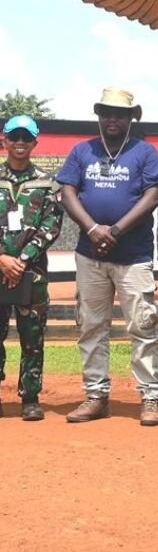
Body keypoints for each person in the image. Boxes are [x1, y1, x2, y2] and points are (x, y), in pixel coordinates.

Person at [57, 88, 158, 425]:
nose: (112, 119)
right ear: (99, 115)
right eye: (106, 113)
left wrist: (115, 230)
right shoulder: (82, 151)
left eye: (120, 113)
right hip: (90, 255)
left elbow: (153, 195)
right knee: (91, 325)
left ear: (132, 116)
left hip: (133, 254)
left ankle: (150, 397)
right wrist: (92, 229)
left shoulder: (144, 152)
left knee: (143, 325)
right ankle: (96, 395)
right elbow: (67, 191)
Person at [0, 115, 63, 420]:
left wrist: (22, 259)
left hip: (32, 272)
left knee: (32, 337)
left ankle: (30, 398)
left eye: (26, 138)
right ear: (5, 140)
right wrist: (2, 258)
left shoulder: (47, 182)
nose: (20, 143)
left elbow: (51, 225)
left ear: (35, 142)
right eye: (15, 137)